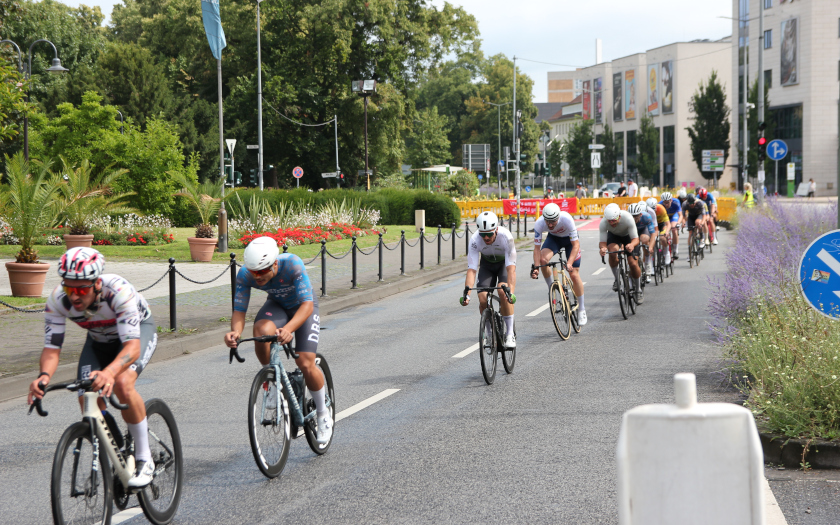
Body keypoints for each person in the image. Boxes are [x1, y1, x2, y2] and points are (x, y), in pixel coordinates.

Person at [28, 248, 158, 488]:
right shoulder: (58, 301)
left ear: (97, 283)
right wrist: (43, 377)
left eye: (81, 289)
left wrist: (109, 372)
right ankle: (118, 449)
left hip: (136, 335)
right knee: (86, 397)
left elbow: (132, 348)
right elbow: (52, 350)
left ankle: (144, 457)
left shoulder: (118, 292)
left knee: (122, 384)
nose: (74, 297)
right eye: (69, 289)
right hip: (98, 341)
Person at [224, 236, 332, 444]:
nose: (257, 277)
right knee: (261, 331)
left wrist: (289, 329)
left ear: (274, 263)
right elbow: (239, 310)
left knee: (305, 362)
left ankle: (322, 413)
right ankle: (272, 380)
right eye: (253, 272)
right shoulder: (245, 274)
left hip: (303, 307)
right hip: (278, 305)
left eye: (262, 271)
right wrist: (235, 332)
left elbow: (307, 305)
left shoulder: (292, 264)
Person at [462, 211, 518, 348]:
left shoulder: (506, 237)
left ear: (496, 230)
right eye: (483, 234)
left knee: (503, 292)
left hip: (504, 265)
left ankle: (510, 334)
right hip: (487, 265)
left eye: (489, 234)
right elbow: (472, 270)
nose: (486, 237)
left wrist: (510, 292)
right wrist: (467, 295)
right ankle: (489, 334)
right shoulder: (475, 240)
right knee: (482, 297)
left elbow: (511, 269)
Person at [531, 203, 587, 325]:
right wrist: (536, 267)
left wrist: (570, 263)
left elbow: (576, 245)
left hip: (569, 241)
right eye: (548, 221)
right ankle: (552, 288)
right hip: (554, 239)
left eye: (553, 221)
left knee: (573, 274)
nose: (550, 225)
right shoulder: (539, 223)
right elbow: (536, 249)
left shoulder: (566, 219)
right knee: (543, 260)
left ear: (558, 217)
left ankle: (582, 309)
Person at [599, 203, 644, 304]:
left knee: (633, 264)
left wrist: (631, 245)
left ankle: (638, 290)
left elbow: (636, 239)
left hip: (628, 237)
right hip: (614, 236)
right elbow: (602, 242)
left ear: (619, 216)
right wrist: (602, 248)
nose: (612, 223)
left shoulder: (628, 218)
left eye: (614, 220)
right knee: (612, 251)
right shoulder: (603, 223)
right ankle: (617, 279)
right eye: (609, 221)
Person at [628, 202, 656, 283]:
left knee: (645, 239)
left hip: (643, 230)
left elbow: (653, 234)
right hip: (632, 233)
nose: (634, 218)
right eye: (632, 216)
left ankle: (647, 263)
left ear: (640, 214)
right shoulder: (627, 219)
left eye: (636, 216)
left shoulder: (646, 217)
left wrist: (650, 247)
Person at [647, 196, 673, 269]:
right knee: (650, 243)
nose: (652, 211)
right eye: (650, 209)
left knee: (662, 238)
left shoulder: (661, 208)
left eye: (653, 209)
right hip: (652, 226)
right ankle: (651, 264)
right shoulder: (646, 211)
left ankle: (666, 253)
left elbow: (668, 224)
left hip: (661, 225)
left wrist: (666, 232)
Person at [659, 191, 682, 260]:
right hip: (665, 218)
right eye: (665, 202)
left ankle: (675, 250)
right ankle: (664, 249)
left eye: (668, 202)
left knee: (674, 229)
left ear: (671, 200)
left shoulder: (676, 202)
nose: (666, 204)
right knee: (663, 233)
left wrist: (678, 223)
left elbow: (680, 215)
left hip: (673, 216)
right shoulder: (660, 204)